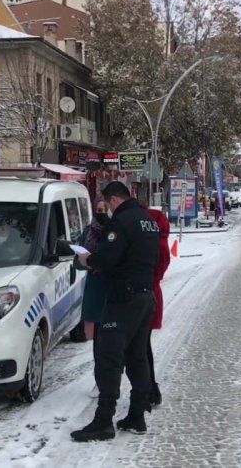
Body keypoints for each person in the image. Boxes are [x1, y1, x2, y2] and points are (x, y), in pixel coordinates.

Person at [71, 181, 159, 442]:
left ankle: (103, 421)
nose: (106, 208)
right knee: (137, 357)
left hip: (122, 300)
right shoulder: (147, 220)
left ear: (112, 199)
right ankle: (136, 415)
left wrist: (88, 259)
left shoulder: (120, 223)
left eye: (106, 203)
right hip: (145, 297)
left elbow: (107, 260)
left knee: (109, 359)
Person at [74, 200, 110, 397]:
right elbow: (76, 263)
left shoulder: (117, 230)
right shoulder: (88, 232)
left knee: (114, 341)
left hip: (114, 290)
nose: (102, 213)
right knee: (98, 342)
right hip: (96, 291)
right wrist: (84, 261)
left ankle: (115, 378)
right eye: (99, 210)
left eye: (105, 210)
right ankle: (100, 381)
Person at [144, 207, 171, 409]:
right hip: (152, 295)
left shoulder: (157, 245)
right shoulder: (160, 242)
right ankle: (150, 388)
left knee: (142, 348)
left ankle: (150, 389)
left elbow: (158, 271)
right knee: (143, 347)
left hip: (148, 295)